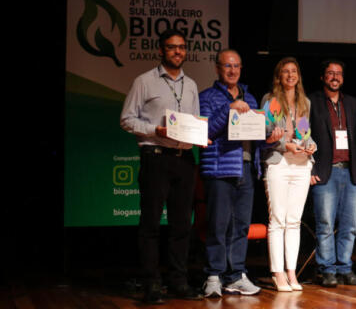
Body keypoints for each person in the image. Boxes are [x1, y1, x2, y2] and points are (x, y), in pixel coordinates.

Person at [119, 29, 202, 303]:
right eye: (171, 47)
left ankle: (178, 281)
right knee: (151, 224)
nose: (177, 51)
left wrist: (200, 137)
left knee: (182, 226)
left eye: (181, 47)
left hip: (184, 161)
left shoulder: (190, 84)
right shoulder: (144, 81)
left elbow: (195, 119)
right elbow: (127, 120)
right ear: (161, 51)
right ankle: (151, 285)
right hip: (155, 157)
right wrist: (156, 130)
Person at [199, 50, 281, 297]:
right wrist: (229, 109)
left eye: (236, 66)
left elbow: (256, 137)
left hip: (246, 167)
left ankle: (235, 275)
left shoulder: (252, 98)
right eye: (227, 66)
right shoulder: (207, 97)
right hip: (219, 168)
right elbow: (205, 132)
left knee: (241, 226)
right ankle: (213, 275)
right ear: (217, 68)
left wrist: (269, 139)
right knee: (218, 224)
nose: (232, 70)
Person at [309, 60, 356, 287]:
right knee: (325, 223)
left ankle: (345, 268)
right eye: (330, 73)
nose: (334, 76)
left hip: (351, 172)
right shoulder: (312, 102)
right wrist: (310, 168)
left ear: (343, 77)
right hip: (325, 172)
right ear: (323, 77)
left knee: (351, 224)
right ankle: (327, 270)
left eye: (338, 73)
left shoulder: (353, 103)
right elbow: (303, 134)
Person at [261, 57, 317, 292]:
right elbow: (266, 134)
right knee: (278, 220)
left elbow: (305, 133)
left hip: (302, 164)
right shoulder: (271, 101)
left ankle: (292, 273)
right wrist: (286, 146)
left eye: (294, 71)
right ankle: (278, 273)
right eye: (286, 72)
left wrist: (311, 144)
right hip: (279, 164)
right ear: (279, 76)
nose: (290, 75)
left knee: (294, 221)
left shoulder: (305, 102)